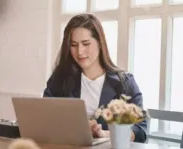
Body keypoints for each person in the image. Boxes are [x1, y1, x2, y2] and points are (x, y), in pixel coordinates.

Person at [43, 13, 147, 143]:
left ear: (100, 43)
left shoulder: (125, 83)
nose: (80, 52)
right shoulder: (60, 80)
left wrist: (105, 134)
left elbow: (140, 131)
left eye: (86, 44)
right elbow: (45, 119)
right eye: (74, 45)